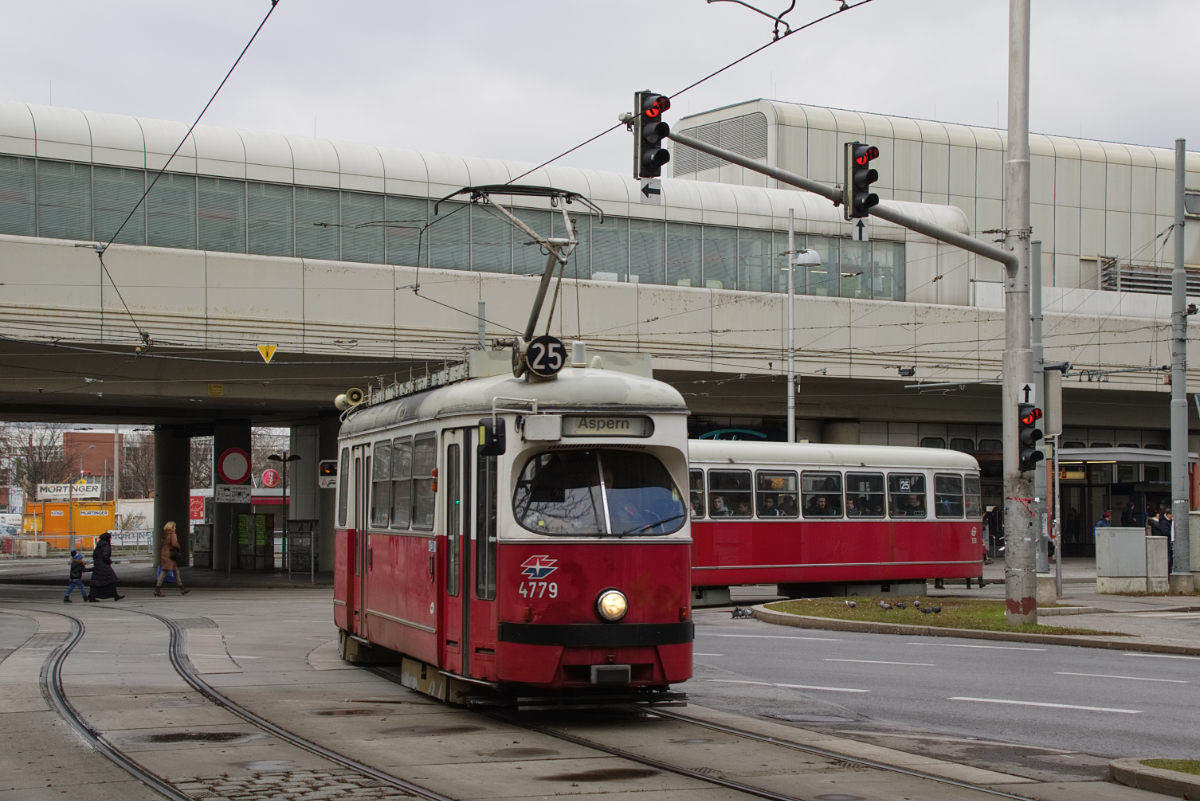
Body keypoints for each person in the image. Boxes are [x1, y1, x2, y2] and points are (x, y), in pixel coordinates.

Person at [156, 521, 190, 597]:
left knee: (175, 570)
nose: (175, 528)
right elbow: (174, 544)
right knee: (164, 571)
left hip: (164, 553)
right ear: (171, 527)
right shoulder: (172, 534)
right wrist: (179, 548)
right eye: (174, 527)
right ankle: (157, 590)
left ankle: (182, 588)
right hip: (170, 554)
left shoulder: (164, 535)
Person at [88, 532, 123, 602]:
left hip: (98, 565)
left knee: (96, 581)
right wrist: (109, 561)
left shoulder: (98, 545)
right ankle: (115, 595)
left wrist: (97, 562)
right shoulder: (106, 545)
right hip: (104, 566)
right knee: (111, 580)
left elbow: (94, 555)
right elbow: (105, 556)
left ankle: (92, 596)